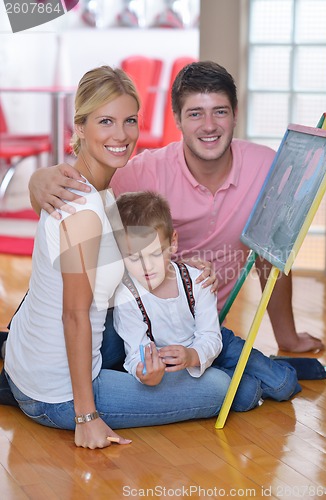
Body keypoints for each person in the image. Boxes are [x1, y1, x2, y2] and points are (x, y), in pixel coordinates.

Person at [3, 66, 231, 449]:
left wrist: (184, 269)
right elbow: (74, 314)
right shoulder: (86, 210)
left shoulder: (79, 187)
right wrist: (87, 417)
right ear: (79, 126)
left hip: (25, 361)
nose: (121, 135)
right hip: (56, 394)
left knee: (160, 337)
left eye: (129, 121)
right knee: (220, 388)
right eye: (105, 121)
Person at [28, 61, 324, 354]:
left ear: (235, 114)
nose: (209, 126)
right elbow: (78, 201)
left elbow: (271, 254)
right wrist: (37, 183)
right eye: (195, 114)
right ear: (178, 120)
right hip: (135, 324)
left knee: (244, 383)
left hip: (199, 327)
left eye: (219, 112)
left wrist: (288, 338)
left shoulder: (264, 167)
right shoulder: (143, 171)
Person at [110, 190, 301, 409]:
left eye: (155, 253)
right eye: (134, 258)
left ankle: (284, 367)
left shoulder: (196, 279)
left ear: (172, 243)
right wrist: (145, 373)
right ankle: (250, 375)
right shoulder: (126, 298)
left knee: (283, 385)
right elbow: (135, 354)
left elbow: (210, 336)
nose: (147, 267)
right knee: (247, 395)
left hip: (217, 344)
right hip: (178, 364)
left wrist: (192, 355)